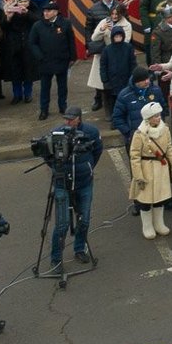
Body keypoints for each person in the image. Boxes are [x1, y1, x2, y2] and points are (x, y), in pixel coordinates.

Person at [45, 106, 103, 273]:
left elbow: (98, 150)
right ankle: (56, 259)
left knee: (84, 220)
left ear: (79, 119)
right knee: (61, 225)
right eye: (66, 119)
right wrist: (57, 169)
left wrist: (88, 167)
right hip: (63, 184)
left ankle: (79, 249)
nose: (68, 122)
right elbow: (47, 154)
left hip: (84, 182)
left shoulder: (91, 132)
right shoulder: (56, 133)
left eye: (71, 119)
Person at [127, 101, 172, 239]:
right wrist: (138, 176)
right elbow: (134, 156)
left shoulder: (165, 129)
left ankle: (159, 223)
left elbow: (169, 148)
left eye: (159, 115)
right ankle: (147, 225)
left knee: (160, 198)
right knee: (146, 200)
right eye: (155, 116)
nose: (158, 118)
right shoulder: (139, 134)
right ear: (148, 118)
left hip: (161, 167)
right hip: (146, 168)